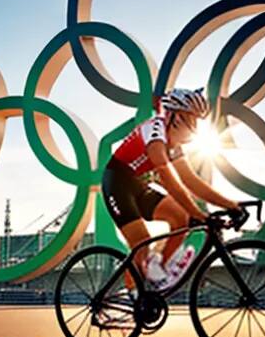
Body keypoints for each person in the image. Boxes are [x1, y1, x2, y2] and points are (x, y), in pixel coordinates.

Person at [102, 87, 242, 289]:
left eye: (196, 121)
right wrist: (199, 214)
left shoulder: (173, 145)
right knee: (140, 243)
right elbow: (170, 181)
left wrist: (231, 205)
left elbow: (191, 182)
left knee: (180, 218)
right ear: (173, 116)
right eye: (190, 119)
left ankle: (158, 268)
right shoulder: (155, 133)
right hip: (116, 182)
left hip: (139, 185)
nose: (194, 127)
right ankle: (130, 296)